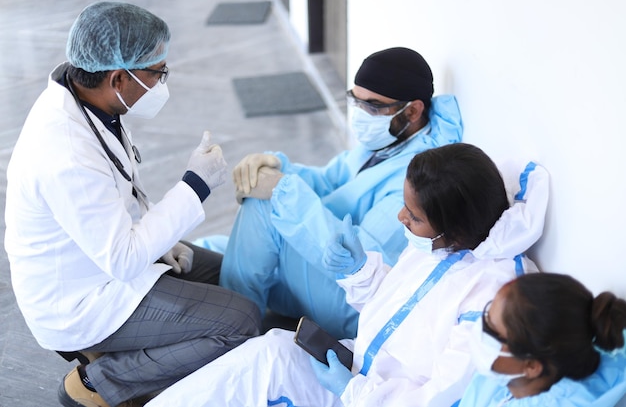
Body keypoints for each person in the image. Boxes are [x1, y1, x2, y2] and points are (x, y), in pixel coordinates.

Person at [145, 142, 549, 407]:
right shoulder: (442, 244)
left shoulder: (495, 301)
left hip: (370, 396)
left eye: (414, 216)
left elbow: (439, 397)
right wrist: (360, 272)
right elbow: (397, 305)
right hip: (354, 369)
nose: (401, 218)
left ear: (454, 230)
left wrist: (353, 391)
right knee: (270, 352)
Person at [4, 1, 261, 407]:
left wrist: (163, 241)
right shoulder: (66, 153)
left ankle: (139, 349)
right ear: (119, 77)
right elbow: (123, 260)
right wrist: (195, 185)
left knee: (225, 273)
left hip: (100, 260)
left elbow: (116, 197)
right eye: (157, 73)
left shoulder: (89, 99)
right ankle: (99, 382)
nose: (162, 83)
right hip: (78, 302)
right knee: (241, 321)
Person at [206, 47, 463, 339]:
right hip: (328, 281)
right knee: (227, 242)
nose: (361, 116)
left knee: (264, 210)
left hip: (356, 301)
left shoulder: (420, 178)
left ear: (413, 110)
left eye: (373, 107)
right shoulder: (389, 143)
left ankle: (229, 330)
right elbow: (330, 181)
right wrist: (281, 166)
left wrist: (282, 190)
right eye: (356, 101)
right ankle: (220, 296)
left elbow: (361, 256)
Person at [458, 272, 626, 407]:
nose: (479, 331)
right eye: (487, 315)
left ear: (531, 366)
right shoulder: (506, 378)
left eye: (491, 332)